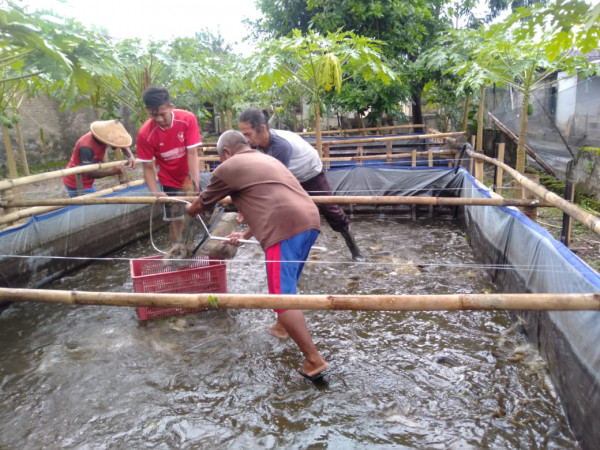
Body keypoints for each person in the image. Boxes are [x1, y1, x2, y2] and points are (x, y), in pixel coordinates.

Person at [185, 130, 328, 381]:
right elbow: (269, 201)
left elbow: (201, 205)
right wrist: (245, 235)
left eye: (221, 158)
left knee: (281, 297)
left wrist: (188, 208)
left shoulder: (229, 167)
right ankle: (283, 326)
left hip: (284, 228)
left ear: (226, 153)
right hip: (308, 219)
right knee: (288, 283)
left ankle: (313, 360)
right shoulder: (266, 159)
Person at [238, 107, 364, 261]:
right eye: (243, 135)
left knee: (330, 209)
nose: (246, 139)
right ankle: (294, 256)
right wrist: (243, 205)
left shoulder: (281, 145)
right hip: (286, 175)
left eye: (247, 134)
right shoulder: (254, 144)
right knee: (288, 212)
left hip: (310, 172)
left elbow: (274, 182)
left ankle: (354, 249)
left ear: (262, 129)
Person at [136, 86, 202, 244]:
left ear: (171, 107)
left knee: (194, 215)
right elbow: (148, 167)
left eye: (162, 114)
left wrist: (195, 184)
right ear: (147, 110)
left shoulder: (187, 119)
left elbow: (192, 154)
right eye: (153, 115)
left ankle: (189, 250)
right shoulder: (145, 134)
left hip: (188, 176)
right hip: (169, 181)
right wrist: (155, 194)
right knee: (177, 220)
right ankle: (176, 254)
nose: (159, 119)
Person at [62, 119, 135, 197]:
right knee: (86, 207)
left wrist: (131, 156)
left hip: (88, 181)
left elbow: (121, 143)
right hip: (76, 182)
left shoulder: (104, 137)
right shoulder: (86, 147)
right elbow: (88, 173)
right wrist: (113, 171)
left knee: (94, 202)